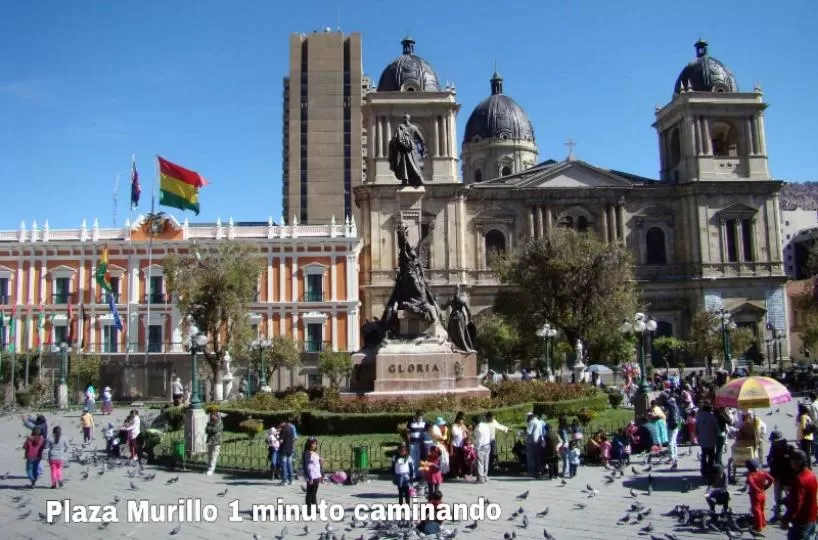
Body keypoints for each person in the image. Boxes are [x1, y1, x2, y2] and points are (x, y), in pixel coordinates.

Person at [781, 449, 818, 538]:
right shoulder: (811, 474)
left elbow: (796, 504)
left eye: (791, 460)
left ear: (799, 462)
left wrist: (786, 519)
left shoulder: (799, 479)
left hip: (802, 522)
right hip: (812, 519)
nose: (790, 463)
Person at [746, 459, 774, 533]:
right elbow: (771, 479)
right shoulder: (763, 472)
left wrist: (756, 488)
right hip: (762, 493)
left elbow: (751, 483)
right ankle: (763, 522)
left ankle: (759, 526)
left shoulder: (751, 474)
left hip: (755, 495)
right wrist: (766, 486)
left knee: (756, 510)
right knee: (761, 509)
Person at [696, 404, 720, 474]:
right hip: (711, 439)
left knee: (704, 454)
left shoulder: (699, 417)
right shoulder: (712, 417)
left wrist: (698, 436)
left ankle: (703, 470)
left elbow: (696, 429)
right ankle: (710, 469)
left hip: (702, 439)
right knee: (711, 455)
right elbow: (716, 429)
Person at [407, 411, 425, 481]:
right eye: (418, 417)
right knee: (413, 459)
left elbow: (426, 430)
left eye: (421, 417)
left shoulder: (424, 422)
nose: (419, 418)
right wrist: (409, 440)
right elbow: (407, 432)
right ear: (416, 416)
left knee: (419, 459)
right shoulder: (411, 422)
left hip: (420, 443)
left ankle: (419, 474)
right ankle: (413, 475)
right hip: (413, 443)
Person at [472, 415, 491, 483]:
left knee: (480, 462)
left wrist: (477, 448)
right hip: (487, 445)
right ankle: (485, 476)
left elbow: (479, 440)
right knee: (486, 461)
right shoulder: (485, 425)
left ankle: (480, 478)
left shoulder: (478, 428)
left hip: (481, 446)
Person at [304, 438, 322, 508]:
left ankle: (315, 507)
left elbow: (317, 465)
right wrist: (310, 477)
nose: (314, 445)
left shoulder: (314, 453)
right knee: (309, 493)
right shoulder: (308, 453)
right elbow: (309, 466)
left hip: (316, 475)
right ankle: (308, 508)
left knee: (314, 493)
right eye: (313, 443)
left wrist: (320, 475)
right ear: (309, 444)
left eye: (315, 444)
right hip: (311, 476)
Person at [278, 419, 296, 485]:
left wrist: (278, 437)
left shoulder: (283, 429)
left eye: (280, 423)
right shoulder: (291, 428)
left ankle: (284, 480)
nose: (279, 425)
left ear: (283, 423)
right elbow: (294, 438)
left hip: (284, 449)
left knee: (284, 464)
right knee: (290, 464)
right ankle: (291, 480)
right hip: (290, 449)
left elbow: (281, 441)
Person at [204, 409, 222, 476]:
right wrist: (210, 427)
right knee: (209, 455)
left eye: (213, 415)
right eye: (211, 415)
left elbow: (215, 430)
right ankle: (209, 467)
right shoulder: (210, 422)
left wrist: (210, 427)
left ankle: (211, 469)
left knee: (214, 455)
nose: (212, 416)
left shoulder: (219, 422)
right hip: (210, 441)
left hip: (216, 441)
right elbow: (206, 430)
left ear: (216, 416)